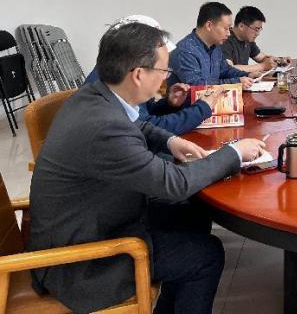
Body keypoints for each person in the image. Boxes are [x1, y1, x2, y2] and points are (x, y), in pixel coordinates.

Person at [29, 23, 266, 314]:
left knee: (192, 213)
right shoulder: (104, 128)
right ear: (139, 74)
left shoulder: (93, 95)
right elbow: (174, 183)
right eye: (164, 71)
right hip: (81, 262)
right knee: (206, 255)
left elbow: (136, 124)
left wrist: (171, 141)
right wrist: (234, 153)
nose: (166, 77)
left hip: (95, 218)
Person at [85, 15, 219, 135]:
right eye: (161, 70)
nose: (164, 77)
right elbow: (148, 128)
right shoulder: (108, 96)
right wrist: (201, 109)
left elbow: (144, 112)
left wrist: (168, 103)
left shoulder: (117, 77)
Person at [169, 2, 253, 89]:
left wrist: (248, 75)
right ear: (209, 25)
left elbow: (225, 71)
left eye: (229, 29)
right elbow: (199, 87)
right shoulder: (186, 51)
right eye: (226, 28)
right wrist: (236, 83)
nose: (229, 33)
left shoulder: (215, 47)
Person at [221, 6, 290, 75]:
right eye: (256, 29)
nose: (258, 34)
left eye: (260, 29)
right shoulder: (225, 39)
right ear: (241, 26)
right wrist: (262, 66)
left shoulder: (247, 40)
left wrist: (280, 60)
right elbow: (228, 69)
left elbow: (262, 57)